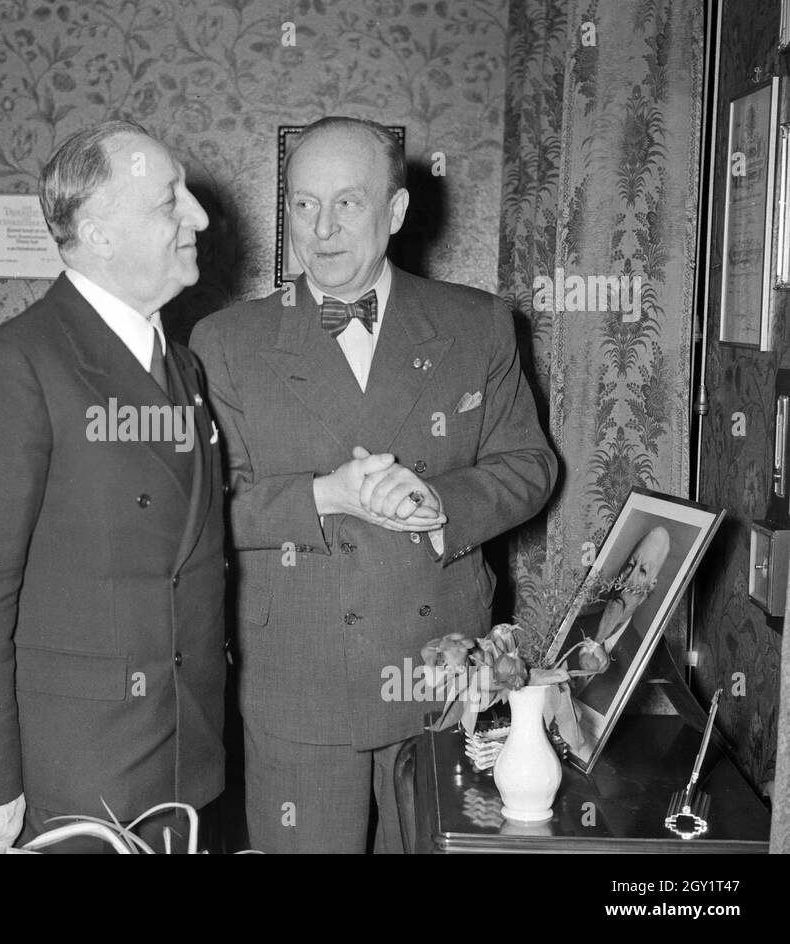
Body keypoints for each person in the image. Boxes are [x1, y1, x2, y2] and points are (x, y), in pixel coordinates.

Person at [191, 116, 556, 853]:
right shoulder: (225, 343)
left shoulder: (478, 324)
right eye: (303, 204)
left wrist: (439, 505)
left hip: (442, 675)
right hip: (298, 678)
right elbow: (202, 512)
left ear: (394, 212)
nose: (320, 229)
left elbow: (531, 466)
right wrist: (328, 495)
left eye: (347, 203)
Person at [0, 119, 225, 853]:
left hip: (182, 758)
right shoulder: (16, 366)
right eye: (169, 202)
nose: (201, 216)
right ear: (99, 233)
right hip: (73, 776)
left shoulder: (183, 369)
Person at [568, 526, 672, 717]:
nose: (628, 580)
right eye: (630, 565)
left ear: (651, 586)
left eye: (642, 571)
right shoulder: (574, 626)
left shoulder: (639, 656)